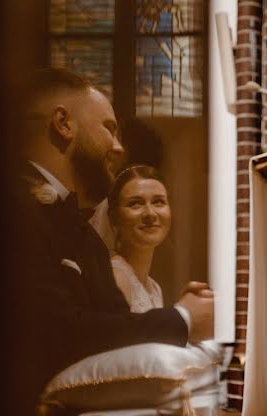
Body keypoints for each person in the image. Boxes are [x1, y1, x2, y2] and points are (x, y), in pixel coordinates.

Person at [18, 68, 214, 392]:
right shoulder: (15, 211)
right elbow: (58, 333)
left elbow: (117, 331)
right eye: (109, 129)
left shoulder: (86, 237)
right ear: (63, 124)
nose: (119, 147)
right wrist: (182, 320)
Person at [106, 165, 171, 313]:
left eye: (158, 202)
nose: (150, 213)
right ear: (114, 219)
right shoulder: (116, 278)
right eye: (135, 203)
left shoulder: (155, 288)